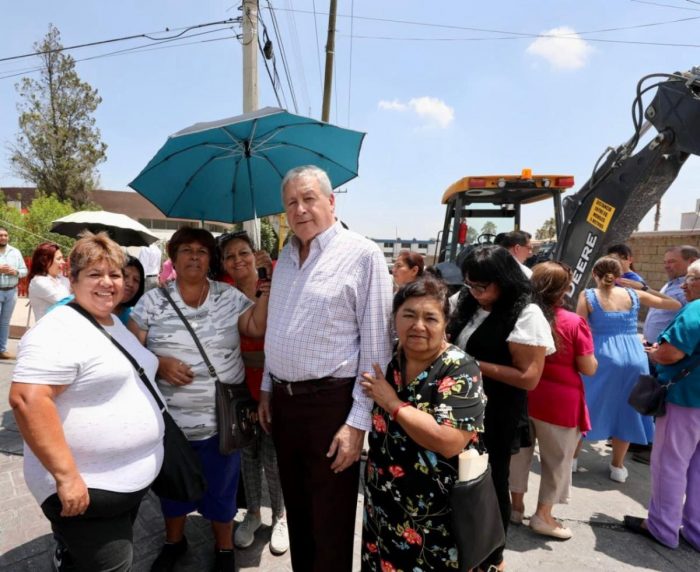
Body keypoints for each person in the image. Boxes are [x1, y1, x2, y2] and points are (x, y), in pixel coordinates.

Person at [258, 165, 393, 572]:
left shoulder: (362, 254)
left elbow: (376, 351)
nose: (299, 210)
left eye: (308, 198)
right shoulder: (285, 256)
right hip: (284, 405)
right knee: (298, 512)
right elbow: (277, 329)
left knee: (330, 519)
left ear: (331, 201)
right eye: (291, 203)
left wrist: (356, 423)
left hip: (330, 406)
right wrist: (267, 387)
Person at [9, 232, 164, 572]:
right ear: (72, 278)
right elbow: (27, 399)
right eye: (95, 274)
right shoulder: (58, 328)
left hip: (125, 485)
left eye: (115, 274)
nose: (108, 283)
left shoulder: (111, 321)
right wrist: (66, 477)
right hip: (87, 491)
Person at [129, 227, 270, 572]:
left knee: (222, 489)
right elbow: (131, 350)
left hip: (221, 421)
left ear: (211, 260)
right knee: (173, 489)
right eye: (186, 250)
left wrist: (266, 290)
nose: (194, 256)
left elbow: (255, 328)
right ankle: (174, 542)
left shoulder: (229, 296)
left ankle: (224, 550)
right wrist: (159, 363)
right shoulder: (153, 301)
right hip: (170, 423)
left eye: (202, 251)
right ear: (173, 258)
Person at [360, 277, 485, 570]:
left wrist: (392, 403)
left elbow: (449, 441)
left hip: (438, 516)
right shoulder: (388, 360)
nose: (418, 325)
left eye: (430, 318)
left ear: (445, 325)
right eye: (409, 315)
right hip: (383, 504)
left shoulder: (459, 367)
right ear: (394, 319)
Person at [447, 245, 555, 571]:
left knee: (489, 481)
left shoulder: (526, 314)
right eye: (470, 285)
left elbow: (528, 378)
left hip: (497, 413)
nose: (476, 293)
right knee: (455, 477)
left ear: (504, 281)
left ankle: (491, 556)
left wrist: (469, 363)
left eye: (483, 286)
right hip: (457, 408)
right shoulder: (465, 301)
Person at [509, 261, 598, 540]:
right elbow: (588, 367)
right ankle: (544, 515)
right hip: (561, 403)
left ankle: (515, 507)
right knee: (557, 461)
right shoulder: (573, 322)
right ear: (565, 289)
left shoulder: (521, 316)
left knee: (519, 455)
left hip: (524, 396)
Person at [576, 256, 681, 482]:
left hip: (601, 355)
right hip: (634, 356)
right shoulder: (635, 295)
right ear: (619, 276)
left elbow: (579, 327)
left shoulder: (588, 296)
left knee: (587, 405)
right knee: (628, 410)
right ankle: (617, 466)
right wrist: (644, 287)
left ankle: (572, 460)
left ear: (595, 273)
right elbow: (675, 304)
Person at [218, 230, 289, 555]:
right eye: (230, 256)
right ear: (223, 264)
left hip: (274, 381)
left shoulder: (276, 282)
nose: (238, 260)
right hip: (239, 383)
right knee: (247, 452)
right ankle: (252, 514)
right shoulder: (223, 294)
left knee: (273, 456)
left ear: (254, 253)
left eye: (243, 252)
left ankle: (279, 515)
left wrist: (270, 278)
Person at [623, 260, 700, 551]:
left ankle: (662, 527)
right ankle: (695, 530)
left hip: (686, 400)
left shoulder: (695, 310)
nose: (684, 285)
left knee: (670, 464)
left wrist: (653, 353)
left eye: (690, 279)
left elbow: (670, 354)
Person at [643, 245, 699, 345]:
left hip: (670, 351)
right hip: (654, 347)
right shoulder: (670, 283)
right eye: (665, 262)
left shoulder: (693, 288)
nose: (666, 266)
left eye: (671, 261)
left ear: (692, 261)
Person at [0, 226, 28, 358]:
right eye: (1, 235)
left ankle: (2, 350)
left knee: (5, 322)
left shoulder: (15, 252)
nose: (3, 237)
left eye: (5, 235)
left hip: (11, 292)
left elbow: (24, 271)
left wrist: (15, 272)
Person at [27, 242, 71, 321]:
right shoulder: (38, 282)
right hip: (48, 329)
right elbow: (64, 301)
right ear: (45, 261)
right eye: (59, 259)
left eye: (62, 258)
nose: (63, 262)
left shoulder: (62, 278)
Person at [113, 256, 145, 325]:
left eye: (136, 280)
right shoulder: (92, 312)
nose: (130, 284)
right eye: (125, 276)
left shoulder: (135, 317)